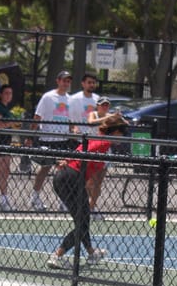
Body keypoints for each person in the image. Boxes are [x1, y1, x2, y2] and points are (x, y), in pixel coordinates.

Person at [45, 113, 127, 269]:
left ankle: (91, 252)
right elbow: (87, 164)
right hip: (71, 179)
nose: (122, 136)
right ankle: (57, 256)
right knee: (82, 222)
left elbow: (80, 154)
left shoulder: (97, 138)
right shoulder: (103, 144)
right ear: (115, 131)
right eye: (121, 132)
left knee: (83, 220)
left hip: (66, 177)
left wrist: (66, 161)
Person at [28, 70, 74, 211]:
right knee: (45, 168)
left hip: (63, 140)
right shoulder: (48, 97)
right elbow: (37, 116)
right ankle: (35, 198)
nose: (66, 83)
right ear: (58, 81)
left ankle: (63, 201)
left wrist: (72, 132)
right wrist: (30, 135)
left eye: (68, 81)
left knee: (64, 171)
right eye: (63, 80)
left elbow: (71, 120)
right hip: (48, 139)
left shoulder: (70, 99)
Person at [0, 85, 17, 211]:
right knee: (2, 170)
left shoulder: (7, 108)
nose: (8, 95)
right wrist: (9, 123)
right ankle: (3, 197)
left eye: (10, 93)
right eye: (6, 93)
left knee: (3, 171)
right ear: (1, 94)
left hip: (7, 141)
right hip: (0, 141)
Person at [84, 95, 115, 213]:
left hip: (105, 151)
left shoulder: (110, 117)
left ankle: (92, 207)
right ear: (98, 106)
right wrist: (109, 118)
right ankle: (86, 204)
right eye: (103, 105)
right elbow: (91, 122)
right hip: (92, 149)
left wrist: (117, 118)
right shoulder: (93, 114)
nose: (105, 107)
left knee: (98, 182)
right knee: (89, 181)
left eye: (107, 105)